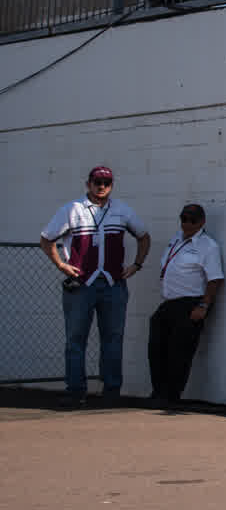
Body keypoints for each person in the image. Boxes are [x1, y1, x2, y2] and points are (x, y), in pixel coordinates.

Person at [40, 165, 150, 407]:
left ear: (111, 185)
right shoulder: (72, 209)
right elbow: (46, 238)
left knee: (113, 338)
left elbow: (143, 236)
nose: (101, 187)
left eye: (106, 183)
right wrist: (61, 265)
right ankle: (75, 391)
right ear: (88, 184)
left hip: (113, 284)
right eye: (97, 182)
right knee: (75, 339)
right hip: (81, 284)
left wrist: (137, 265)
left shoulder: (122, 210)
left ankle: (111, 392)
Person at [146, 202, 224, 406]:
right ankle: (158, 391)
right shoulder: (176, 240)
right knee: (157, 347)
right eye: (184, 220)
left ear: (202, 222)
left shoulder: (208, 246)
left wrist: (204, 306)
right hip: (169, 302)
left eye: (192, 220)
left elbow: (215, 279)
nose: (187, 224)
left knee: (179, 352)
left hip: (190, 303)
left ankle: (171, 396)